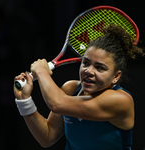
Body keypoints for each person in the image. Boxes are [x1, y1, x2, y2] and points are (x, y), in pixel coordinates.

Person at [13, 23, 144, 149]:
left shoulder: (120, 100)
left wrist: (41, 71)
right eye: (86, 63)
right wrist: (24, 100)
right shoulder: (70, 89)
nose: (89, 71)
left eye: (99, 68)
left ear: (116, 76)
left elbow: (57, 104)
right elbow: (47, 136)